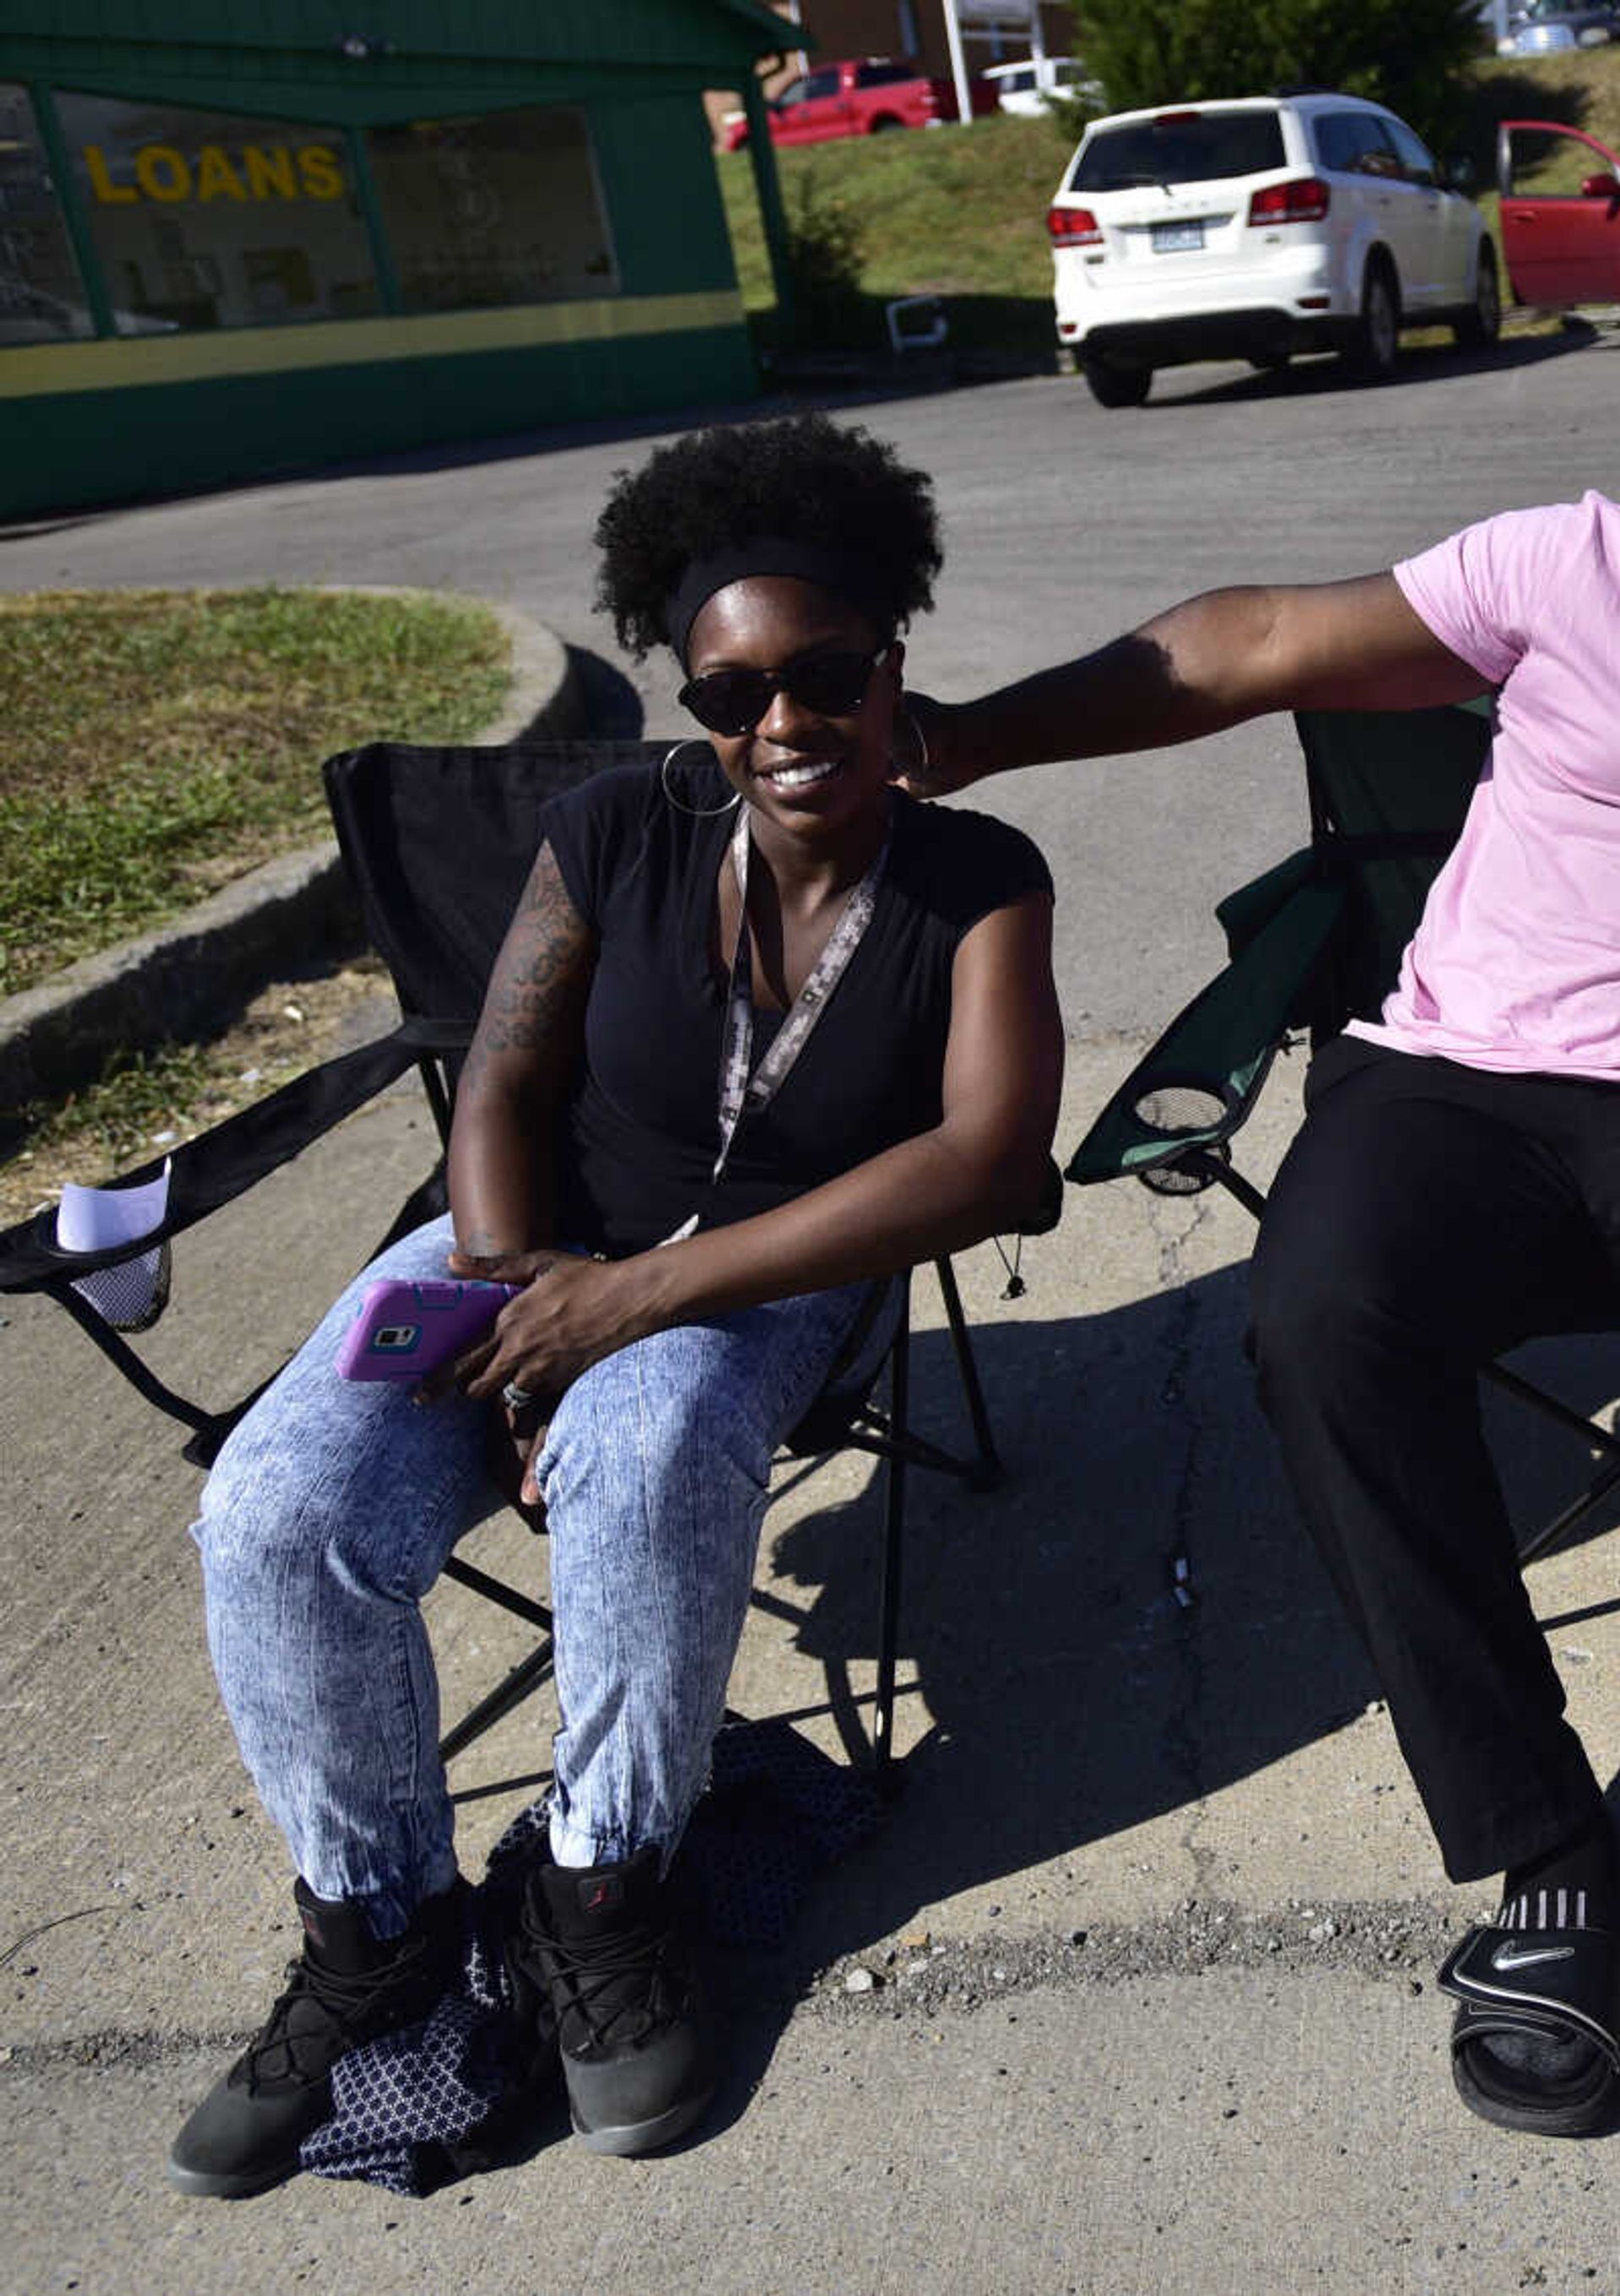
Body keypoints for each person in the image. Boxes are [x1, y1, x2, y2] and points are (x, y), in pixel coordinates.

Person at [897, 270, 1620, 2135]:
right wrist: (970, 741)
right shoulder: (1580, 569)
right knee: (1317, 1316)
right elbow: (1260, 636)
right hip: (1459, 1082)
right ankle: (1541, 1848)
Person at [171, 415, 1066, 2197]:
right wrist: (518, 1319)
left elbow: (994, 1166)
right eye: (731, 697)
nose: (782, 727)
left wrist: (630, 1312)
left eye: (824, 677)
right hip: (514, 1251)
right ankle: (378, 1928)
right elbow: (495, 1090)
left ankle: (604, 1884)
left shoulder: (977, 881)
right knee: (274, 1509)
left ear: (894, 669)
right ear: (690, 699)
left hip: (771, 1275)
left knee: (650, 1447)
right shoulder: (610, 827)